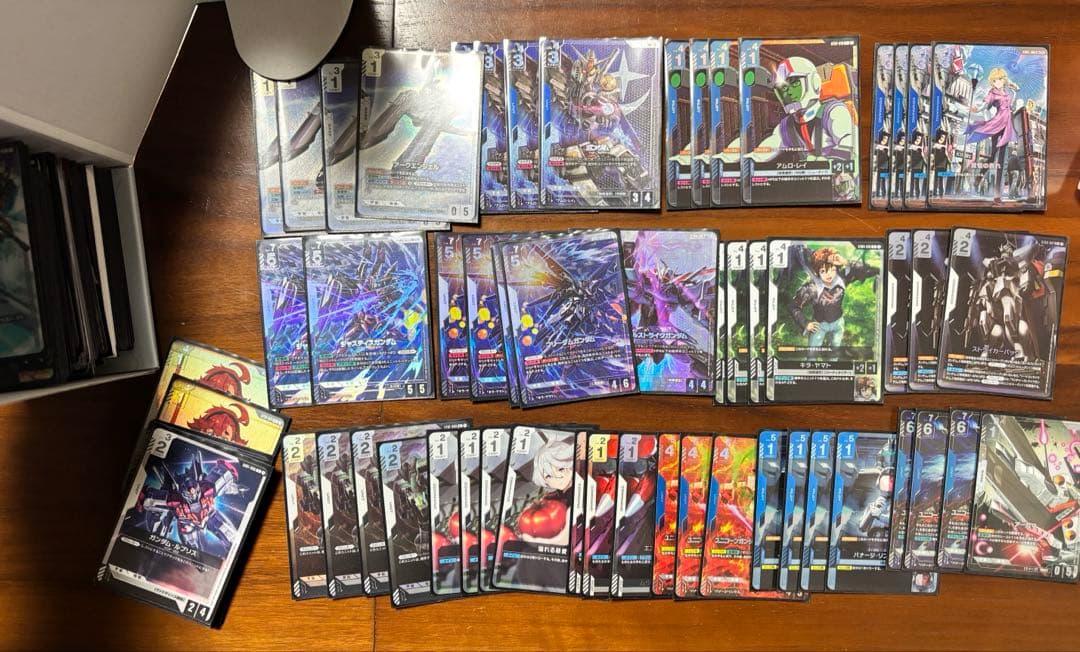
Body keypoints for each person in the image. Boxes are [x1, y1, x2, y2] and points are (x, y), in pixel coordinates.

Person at [967, 67, 1020, 203]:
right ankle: (979, 177)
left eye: (1000, 79)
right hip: (997, 125)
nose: (998, 82)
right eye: (995, 80)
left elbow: (1011, 105)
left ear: (1004, 79)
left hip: (1007, 126)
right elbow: (985, 105)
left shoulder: (1007, 93)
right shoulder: (992, 93)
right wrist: (976, 109)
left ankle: (998, 195)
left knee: (1003, 160)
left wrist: (1014, 90)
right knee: (993, 156)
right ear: (992, 81)